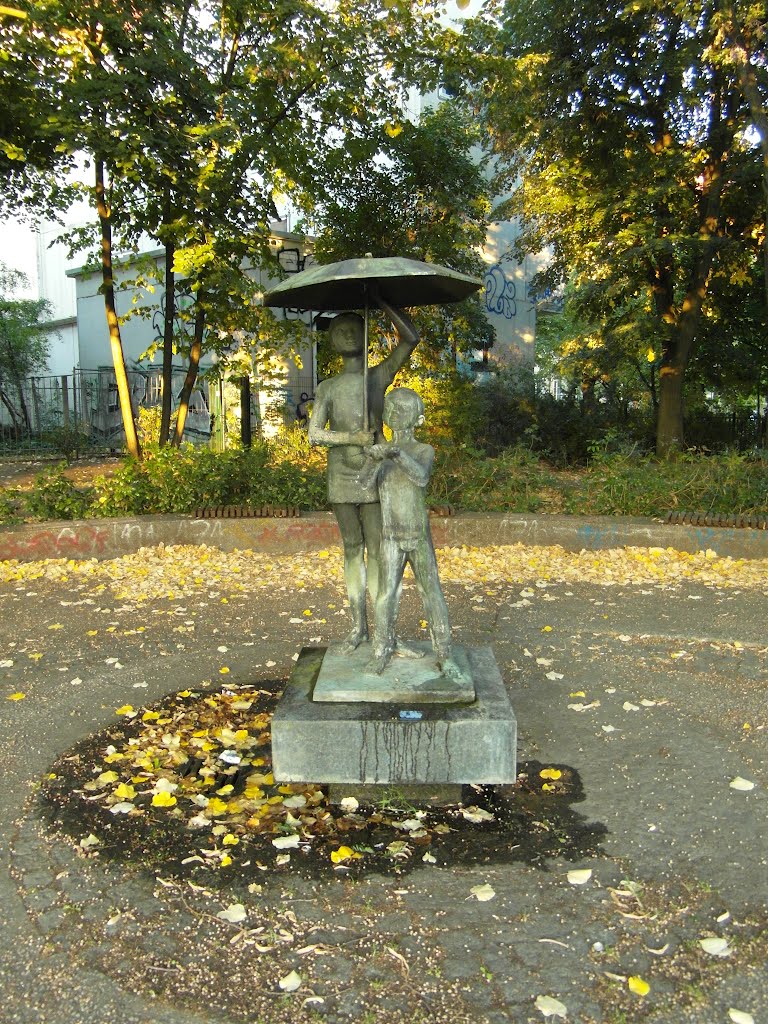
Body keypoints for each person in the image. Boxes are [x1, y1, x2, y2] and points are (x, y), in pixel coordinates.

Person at [308, 297, 420, 653]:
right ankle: (358, 627)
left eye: (353, 327)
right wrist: (350, 438)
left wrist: (384, 302)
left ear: (364, 332)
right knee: (352, 550)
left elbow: (411, 339)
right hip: (341, 474)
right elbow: (314, 434)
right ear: (332, 341)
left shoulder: (378, 376)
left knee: (380, 552)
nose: (346, 334)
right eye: (339, 331)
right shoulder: (327, 387)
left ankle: (386, 633)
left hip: (373, 473)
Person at [364, 387, 463, 682]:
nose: (394, 414)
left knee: (432, 593)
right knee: (385, 596)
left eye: (402, 410)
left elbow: (420, 476)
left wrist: (397, 454)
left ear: (417, 418)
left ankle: (445, 655)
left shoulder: (423, 450)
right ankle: (382, 650)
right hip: (390, 537)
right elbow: (365, 487)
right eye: (391, 408)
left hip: (418, 536)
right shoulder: (382, 452)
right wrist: (376, 460)